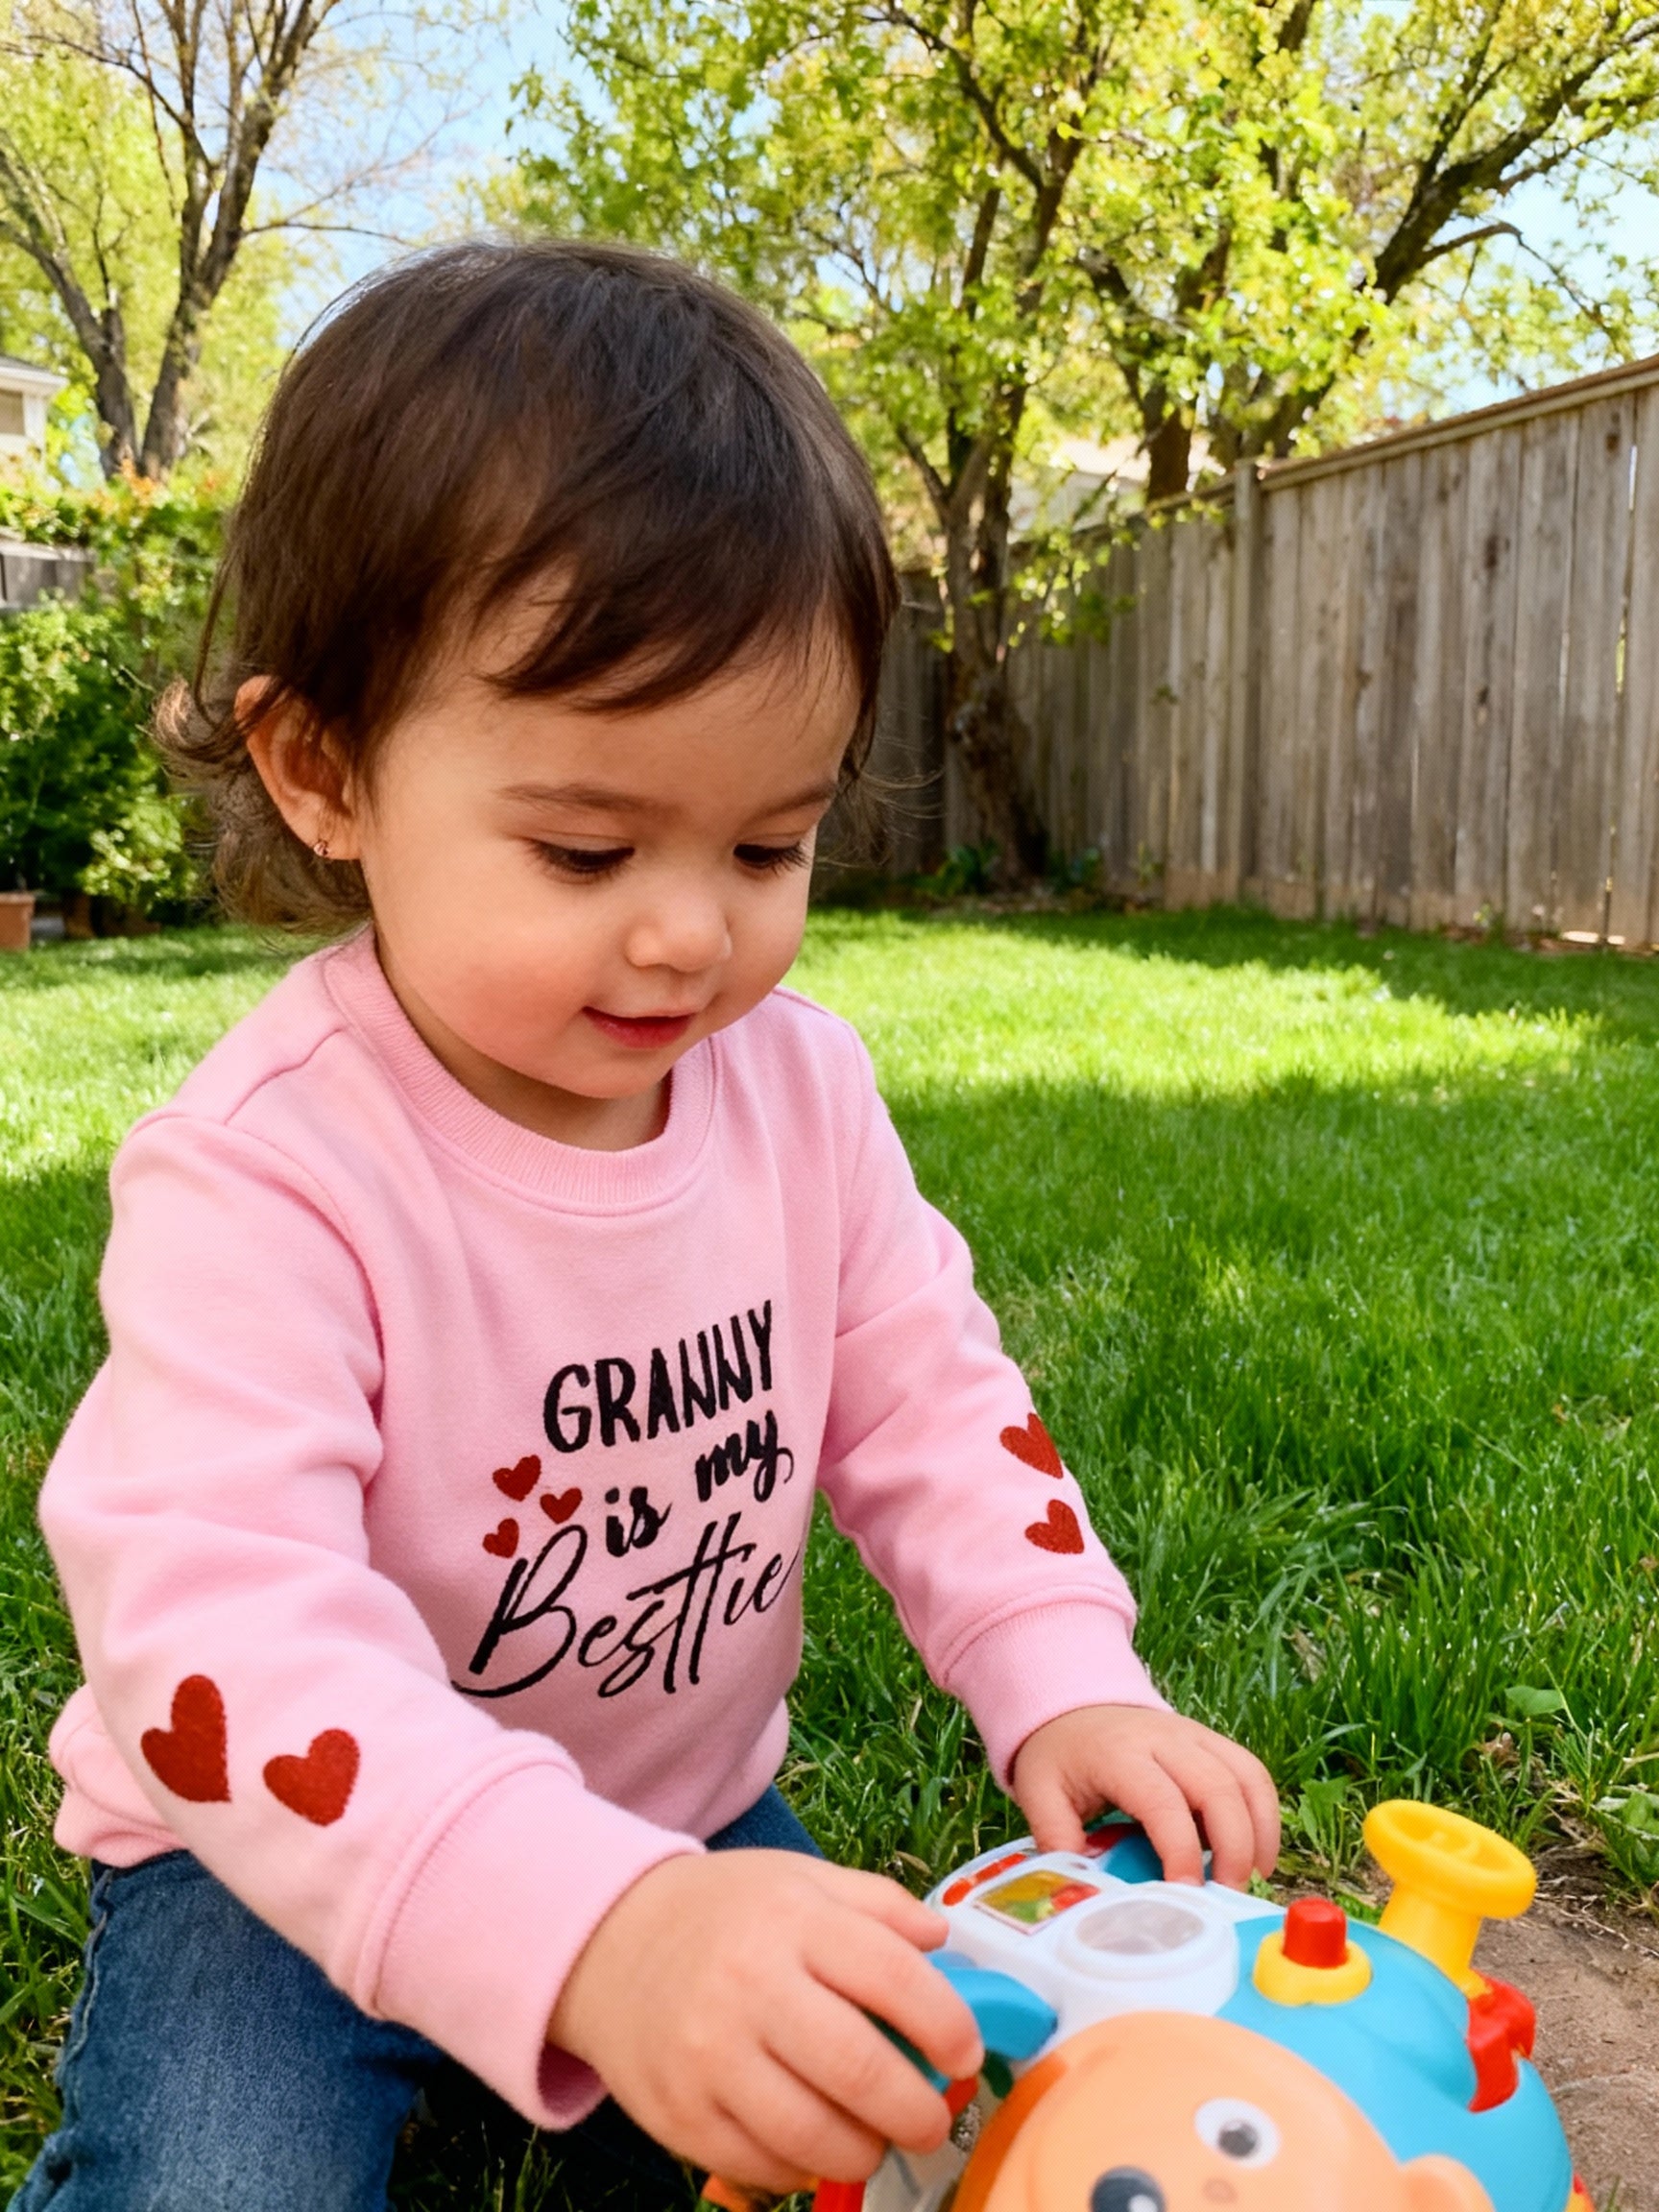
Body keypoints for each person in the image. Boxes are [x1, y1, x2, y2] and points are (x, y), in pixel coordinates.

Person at [15, 240, 1279, 2212]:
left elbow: (931, 1403)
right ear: (323, 768)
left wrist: (1065, 1665)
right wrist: (592, 1933)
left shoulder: (801, 1098)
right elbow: (222, 1635)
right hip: (275, 1856)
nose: (695, 928)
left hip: (686, 1818)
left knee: (939, 2114)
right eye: (589, 848)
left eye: (771, 843)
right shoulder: (270, 1168)